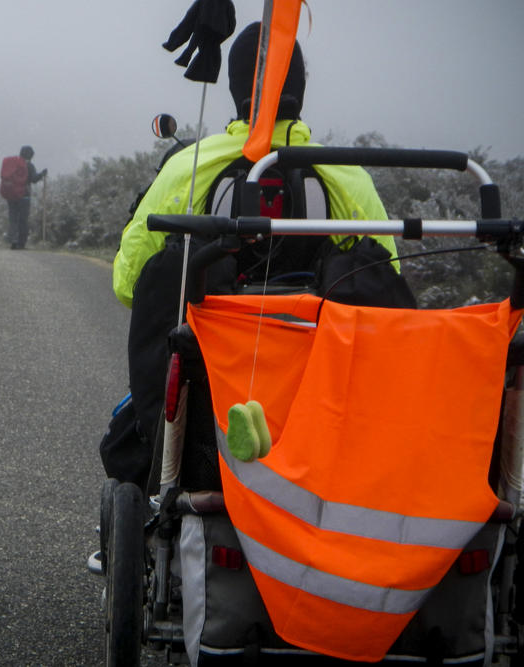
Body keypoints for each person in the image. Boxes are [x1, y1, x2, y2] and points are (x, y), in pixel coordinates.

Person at [102, 21, 412, 491]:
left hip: (209, 393)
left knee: (126, 436)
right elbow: (383, 289)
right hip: (319, 395)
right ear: (300, 88)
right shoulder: (348, 178)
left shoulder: (189, 168)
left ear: (234, 86)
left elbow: (129, 286)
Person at [7, 145, 47, 250]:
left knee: (13, 219)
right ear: (30, 155)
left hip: (11, 195)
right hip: (24, 196)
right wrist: (42, 174)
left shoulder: (12, 164)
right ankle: (21, 243)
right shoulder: (29, 166)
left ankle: (13, 240)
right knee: (23, 220)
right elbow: (33, 179)